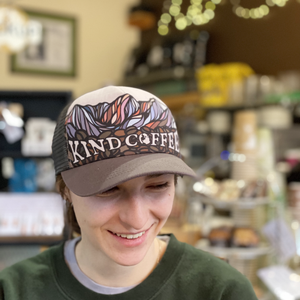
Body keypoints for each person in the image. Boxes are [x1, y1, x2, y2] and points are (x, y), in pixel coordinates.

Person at [0, 86, 258, 299]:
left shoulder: (221, 291)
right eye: (108, 189)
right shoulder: (14, 291)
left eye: (157, 186)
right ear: (65, 190)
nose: (136, 219)